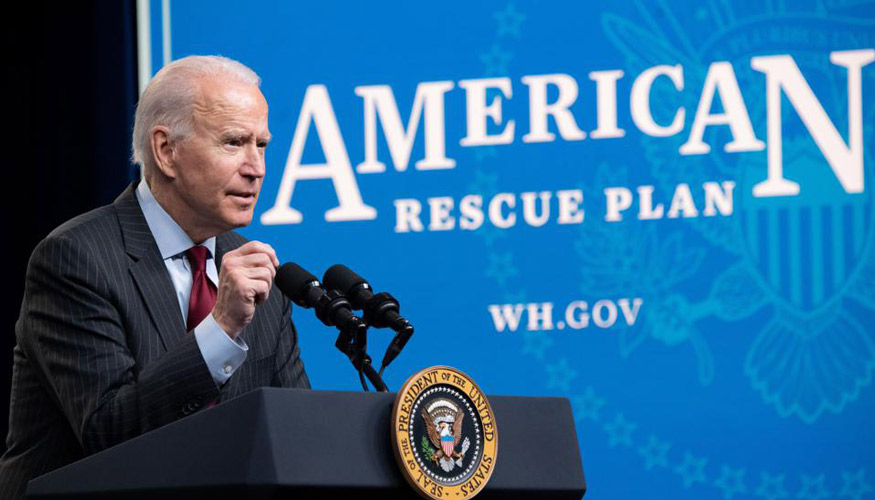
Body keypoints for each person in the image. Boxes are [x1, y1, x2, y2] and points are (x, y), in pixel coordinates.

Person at [0, 55, 309, 499]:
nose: (256, 167)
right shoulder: (75, 258)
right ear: (166, 150)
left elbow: (293, 430)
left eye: (262, 144)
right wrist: (220, 329)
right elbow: (111, 432)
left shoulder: (256, 270)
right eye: (234, 142)